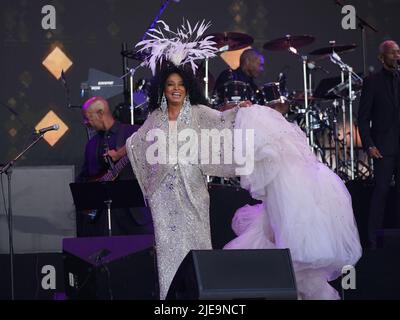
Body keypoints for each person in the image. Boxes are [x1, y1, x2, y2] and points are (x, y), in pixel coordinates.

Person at [224, 104, 363, 300]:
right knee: (289, 258)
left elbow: (284, 212)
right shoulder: (292, 159)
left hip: (297, 224)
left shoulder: (278, 171)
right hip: (303, 215)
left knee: (290, 257)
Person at [76, 96, 153, 237]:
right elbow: (85, 178)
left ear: (100, 113)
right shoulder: (91, 145)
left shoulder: (133, 133)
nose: (86, 122)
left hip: (134, 217)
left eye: (88, 118)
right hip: (102, 220)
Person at [358, 40, 400, 249]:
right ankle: (372, 239)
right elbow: (363, 118)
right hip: (383, 146)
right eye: (393, 53)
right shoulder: (372, 82)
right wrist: (369, 144)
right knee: (381, 191)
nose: (397, 56)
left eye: (398, 52)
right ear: (382, 57)